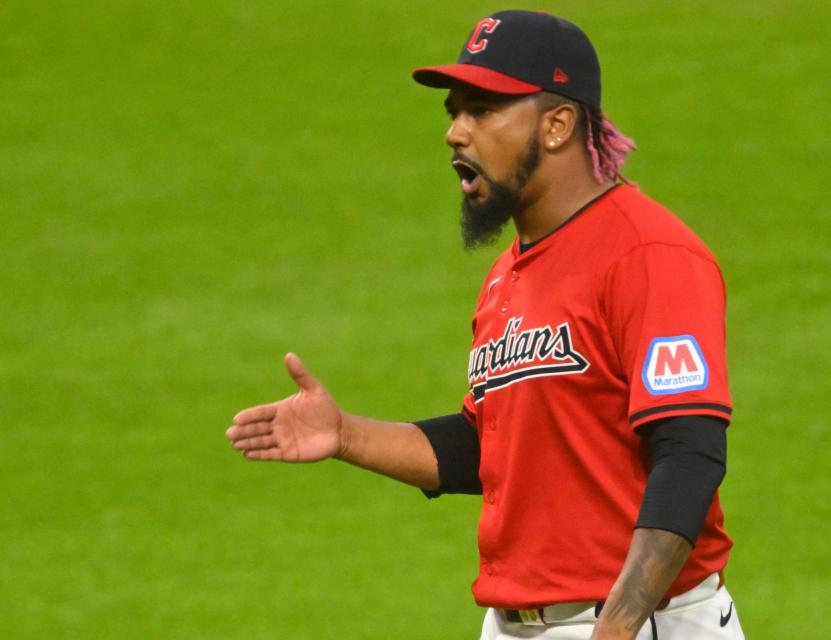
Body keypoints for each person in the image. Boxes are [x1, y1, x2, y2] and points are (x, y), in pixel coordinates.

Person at [226, 10, 746, 640]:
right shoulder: (508, 274)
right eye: (454, 111)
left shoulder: (647, 255)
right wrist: (345, 435)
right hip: (515, 624)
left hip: (637, 624)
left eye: (483, 109)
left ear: (557, 125)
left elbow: (689, 454)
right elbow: (493, 447)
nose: (455, 132)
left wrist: (617, 628)